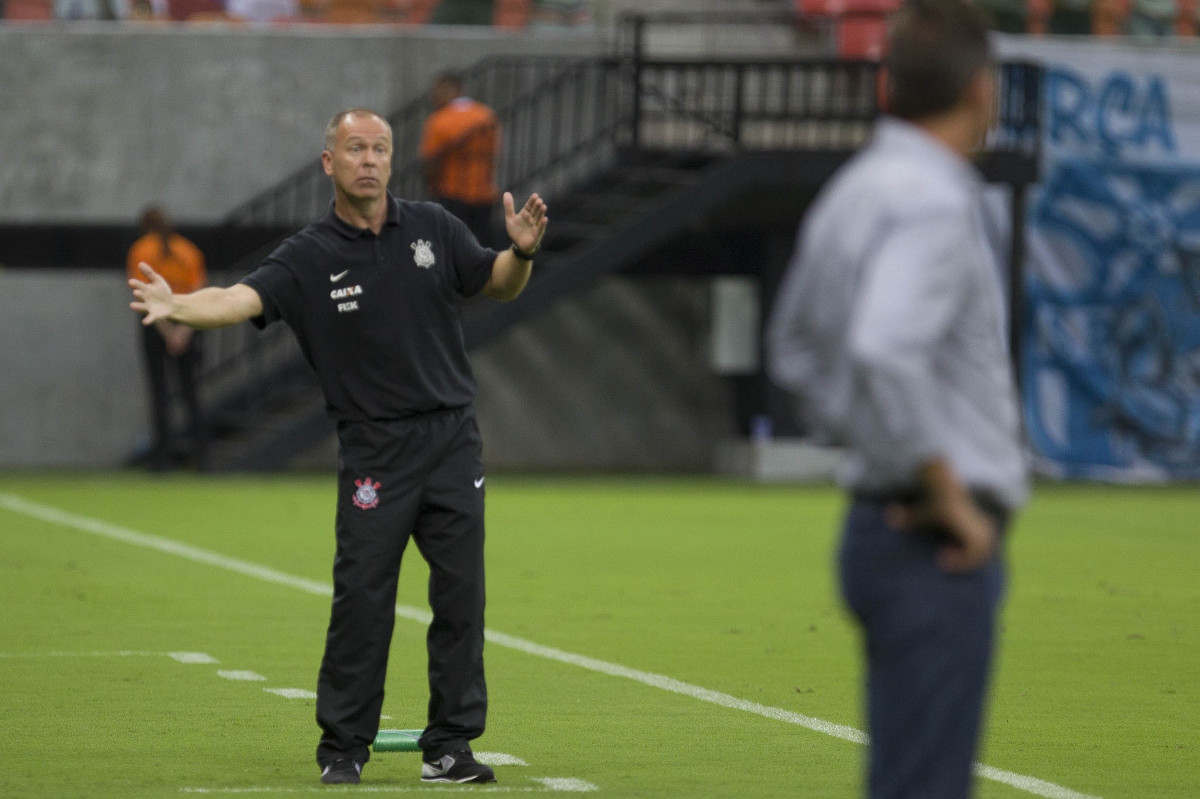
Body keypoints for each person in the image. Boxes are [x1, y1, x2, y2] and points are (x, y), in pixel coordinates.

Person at [129, 108, 548, 786]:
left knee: (462, 596)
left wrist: (521, 251)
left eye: (380, 148)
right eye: (355, 148)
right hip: (375, 450)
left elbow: (496, 281)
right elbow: (238, 299)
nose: (369, 160)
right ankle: (344, 745)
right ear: (330, 162)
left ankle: (449, 747)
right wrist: (179, 306)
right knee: (361, 597)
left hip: (451, 441)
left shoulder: (435, 229)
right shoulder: (307, 255)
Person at [765, 1, 1029, 797]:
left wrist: (880, 446)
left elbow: (797, 353)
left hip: (878, 521)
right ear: (984, 91)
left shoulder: (855, 188)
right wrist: (940, 484)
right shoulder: (935, 198)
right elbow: (885, 344)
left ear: (887, 84)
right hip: (934, 542)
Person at [126, 206, 209, 471]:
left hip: (156, 325)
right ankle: (202, 458)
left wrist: (167, 332)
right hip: (187, 320)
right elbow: (200, 291)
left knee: (159, 392)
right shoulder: (188, 250)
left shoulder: (141, 250)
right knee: (190, 392)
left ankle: (161, 460)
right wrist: (183, 331)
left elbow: (141, 294)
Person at [420, 72, 500, 248]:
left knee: (449, 244)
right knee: (484, 241)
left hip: (451, 192)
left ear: (451, 89)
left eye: (438, 90)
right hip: (483, 192)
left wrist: (431, 186)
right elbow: (493, 156)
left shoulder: (439, 120)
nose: (434, 96)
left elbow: (431, 161)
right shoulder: (487, 116)